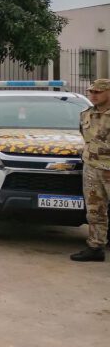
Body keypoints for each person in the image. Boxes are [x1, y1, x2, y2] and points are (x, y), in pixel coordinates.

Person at [72, 79, 110, 262]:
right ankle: (95, 247)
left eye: (98, 92)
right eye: (91, 92)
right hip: (92, 168)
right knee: (95, 210)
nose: (93, 95)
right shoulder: (86, 115)